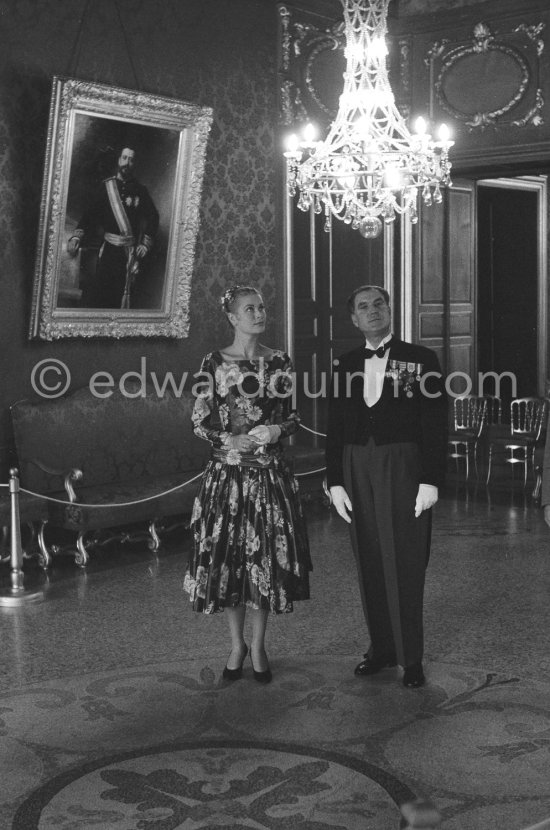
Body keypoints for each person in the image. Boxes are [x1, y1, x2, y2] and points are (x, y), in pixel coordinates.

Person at [184, 285, 312, 683]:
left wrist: (275, 429)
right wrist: (228, 440)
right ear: (232, 318)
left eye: (261, 306)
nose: (259, 313)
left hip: (268, 477)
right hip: (228, 478)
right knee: (230, 563)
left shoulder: (280, 362)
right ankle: (236, 644)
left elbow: (292, 417)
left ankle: (258, 645)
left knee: (263, 564)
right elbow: (199, 420)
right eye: (249, 309)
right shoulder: (213, 362)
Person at [325, 285, 447, 688]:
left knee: (407, 561)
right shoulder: (343, 365)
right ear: (354, 319)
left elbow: (434, 423)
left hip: (404, 467)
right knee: (370, 560)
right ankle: (381, 649)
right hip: (356, 464)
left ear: (390, 310)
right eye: (363, 307)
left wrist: (431, 479)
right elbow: (335, 429)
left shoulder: (421, 359)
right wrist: (336, 482)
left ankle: (411, 659)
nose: (373, 311)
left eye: (379, 304)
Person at [67, 145, 159, 309]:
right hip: (108, 252)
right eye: (124, 158)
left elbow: (153, 217)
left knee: (122, 296)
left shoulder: (140, 190)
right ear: (118, 160)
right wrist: (76, 236)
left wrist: (145, 244)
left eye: (131, 160)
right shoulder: (106, 187)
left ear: (134, 163)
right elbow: (89, 215)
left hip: (128, 254)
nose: (127, 163)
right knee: (102, 294)